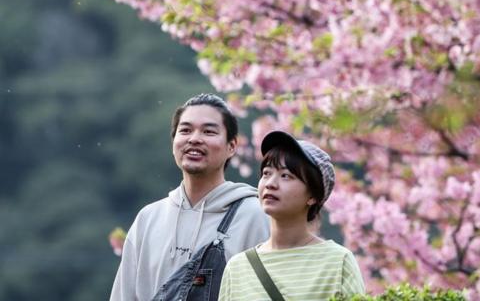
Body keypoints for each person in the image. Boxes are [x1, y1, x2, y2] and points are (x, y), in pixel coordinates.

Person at [110, 93, 270, 301]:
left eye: (208, 131)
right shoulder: (148, 218)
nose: (194, 138)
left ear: (232, 146)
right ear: (174, 142)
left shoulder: (255, 216)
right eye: (185, 130)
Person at [219, 130, 365, 300]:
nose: (271, 184)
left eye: (286, 176)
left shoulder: (338, 262)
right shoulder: (237, 268)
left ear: (312, 196)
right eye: (266, 173)